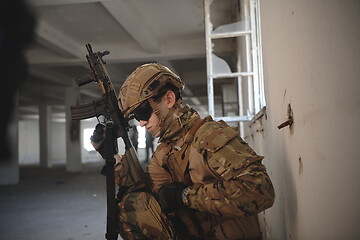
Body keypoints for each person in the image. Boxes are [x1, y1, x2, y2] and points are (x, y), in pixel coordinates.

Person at [94, 63, 275, 239]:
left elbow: (260, 190)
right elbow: (145, 196)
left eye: (143, 112)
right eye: (136, 117)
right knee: (130, 207)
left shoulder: (209, 135)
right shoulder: (165, 151)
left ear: (169, 99)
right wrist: (113, 157)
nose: (141, 122)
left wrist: (185, 196)